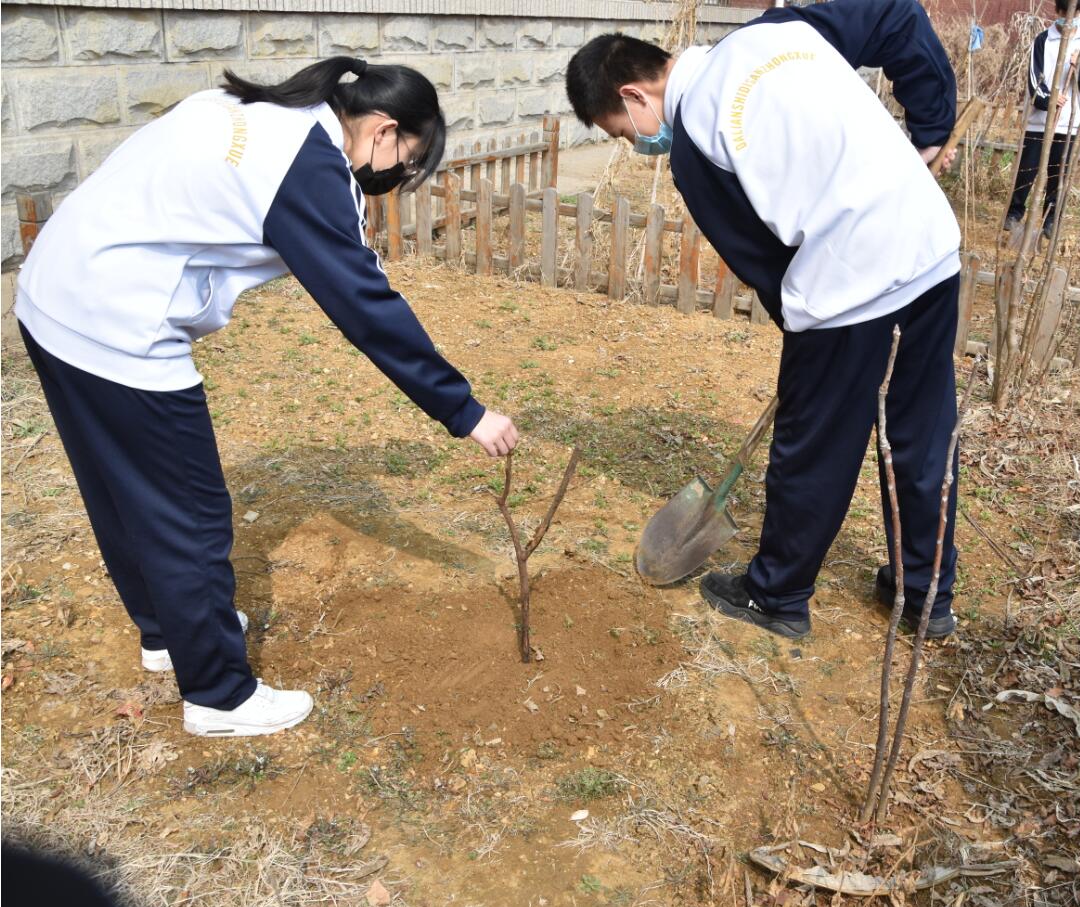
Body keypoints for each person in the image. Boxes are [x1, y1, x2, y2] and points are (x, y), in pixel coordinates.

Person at [14, 57, 517, 737]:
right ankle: (219, 695)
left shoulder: (263, 110)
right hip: (120, 320)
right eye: (407, 159)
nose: (398, 176)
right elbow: (365, 304)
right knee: (189, 514)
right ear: (382, 130)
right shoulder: (307, 169)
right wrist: (464, 410)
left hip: (54, 292)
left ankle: (168, 632)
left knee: (119, 488)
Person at [565, 0, 963, 640]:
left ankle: (777, 594)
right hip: (930, 249)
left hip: (848, 287)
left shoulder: (695, 144)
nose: (636, 144)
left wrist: (807, 352)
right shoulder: (780, 32)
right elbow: (894, 13)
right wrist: (932, 127)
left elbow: (762, 262)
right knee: (923, 428)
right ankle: (926, 593)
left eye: (622, 131)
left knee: (813, 446)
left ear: (634, 95)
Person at [1003, 0, 1080, 243]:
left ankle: (1051, 219)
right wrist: (1049, 99)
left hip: (1069, 122)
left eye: (1074, 13)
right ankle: (1014, 213)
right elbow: (1033, 80)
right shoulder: (1043, 41)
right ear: (1056, 11)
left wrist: (1078, 70)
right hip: (1038, 121)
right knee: (1027, 170)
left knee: (1059, 173)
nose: (1068, 18)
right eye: (1064, 12)